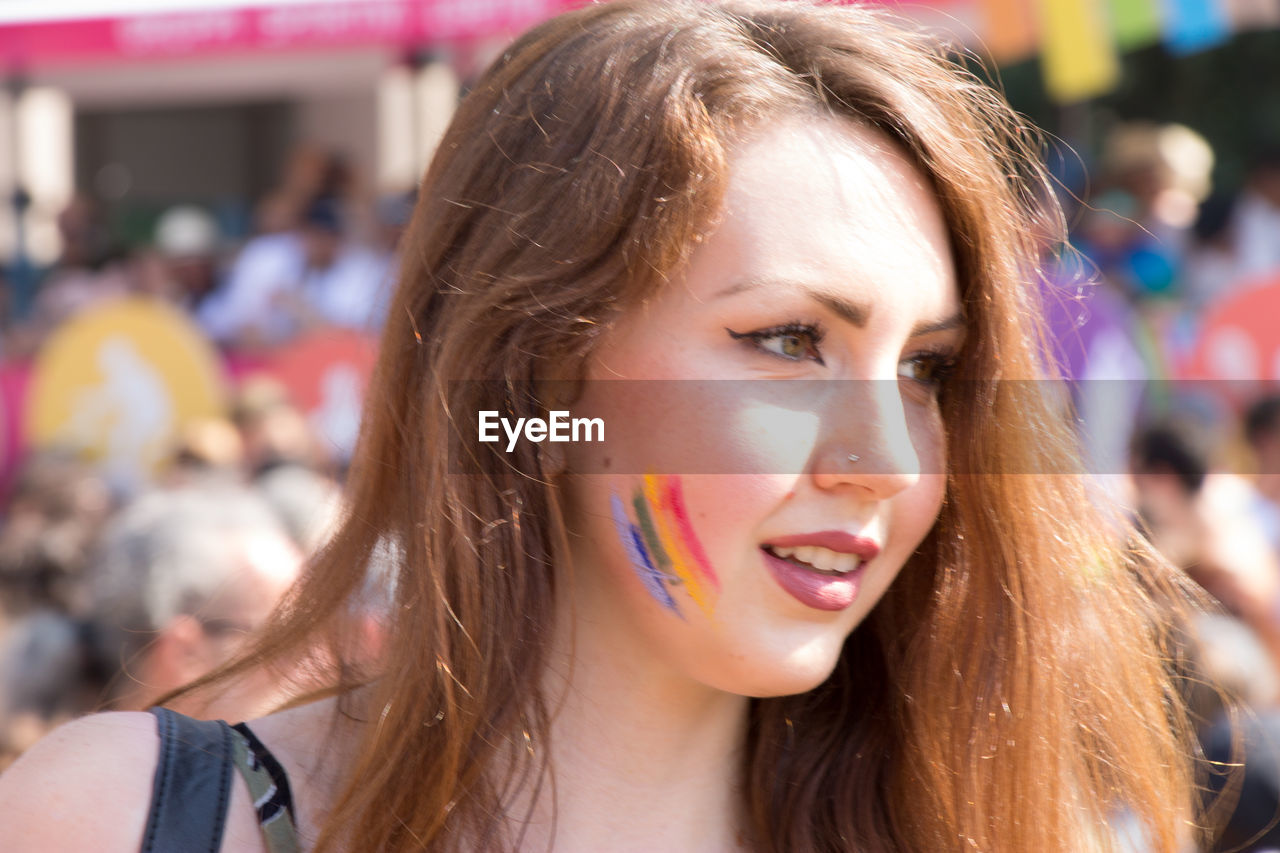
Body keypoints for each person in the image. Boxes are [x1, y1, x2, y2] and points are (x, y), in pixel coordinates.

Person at [0, 2, 1225, 851]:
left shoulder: (999, 825)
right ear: (533, 379)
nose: (886, 462)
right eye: (788, 341)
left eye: (926, 367)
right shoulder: (134, 817)